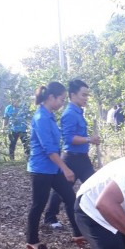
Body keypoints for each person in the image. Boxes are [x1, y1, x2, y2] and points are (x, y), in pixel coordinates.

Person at [26, 82, 86, 249]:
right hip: (41, 169)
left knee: (70, 197)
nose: (62, 103)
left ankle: (78, 234)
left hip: (53, 168)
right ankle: (31, 241)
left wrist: (61, 167)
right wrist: (66, 168)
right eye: (61, 99)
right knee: (39, 204)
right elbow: (49, 149)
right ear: (51, 97)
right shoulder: (41, 118)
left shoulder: (50, 116)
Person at [44, 79, 101, 229]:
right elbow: (69, 138)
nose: (86, 98)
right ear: (72, 95)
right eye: (83, 95)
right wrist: (90, 139)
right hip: (71, 158)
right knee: (62, 190)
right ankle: (50, 218)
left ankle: (99, 215)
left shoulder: (78, 112)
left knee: (95, 185)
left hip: (82, 158)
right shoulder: (69, 113)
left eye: (87, 95)